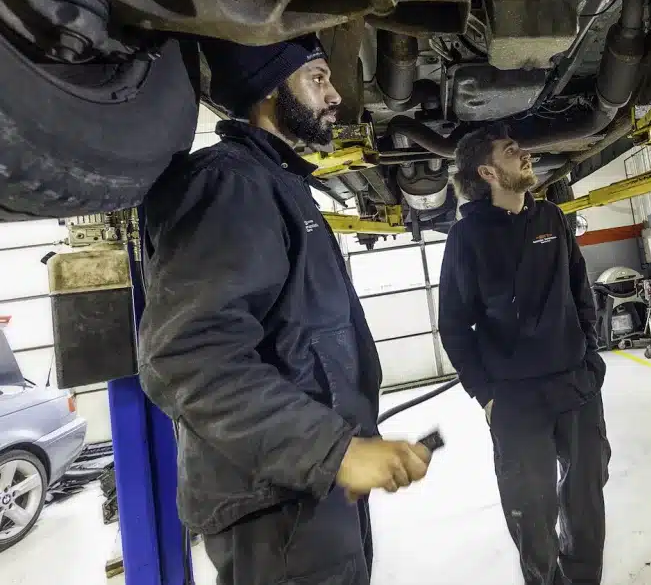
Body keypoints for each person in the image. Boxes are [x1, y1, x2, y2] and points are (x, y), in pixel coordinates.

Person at [137, 35, 432, 585]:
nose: (336, 94)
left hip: (305, 487)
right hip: (276, 503)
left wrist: (340, 449)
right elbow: (188, 354)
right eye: (317, 78)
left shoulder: (276, 184)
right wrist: (333, 450)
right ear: (271, 89)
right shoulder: (230, 182)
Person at [438, 125, 611, 585]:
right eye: (513, 152)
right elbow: (455, 324)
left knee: (586, 499)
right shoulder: (466, 238)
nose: (527, 155)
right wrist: (486, 394)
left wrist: (591, 357)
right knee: (531, 512)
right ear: (489, 172)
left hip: (575, 384)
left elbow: (580, 290)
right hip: (515, 398)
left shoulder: (550, 218)